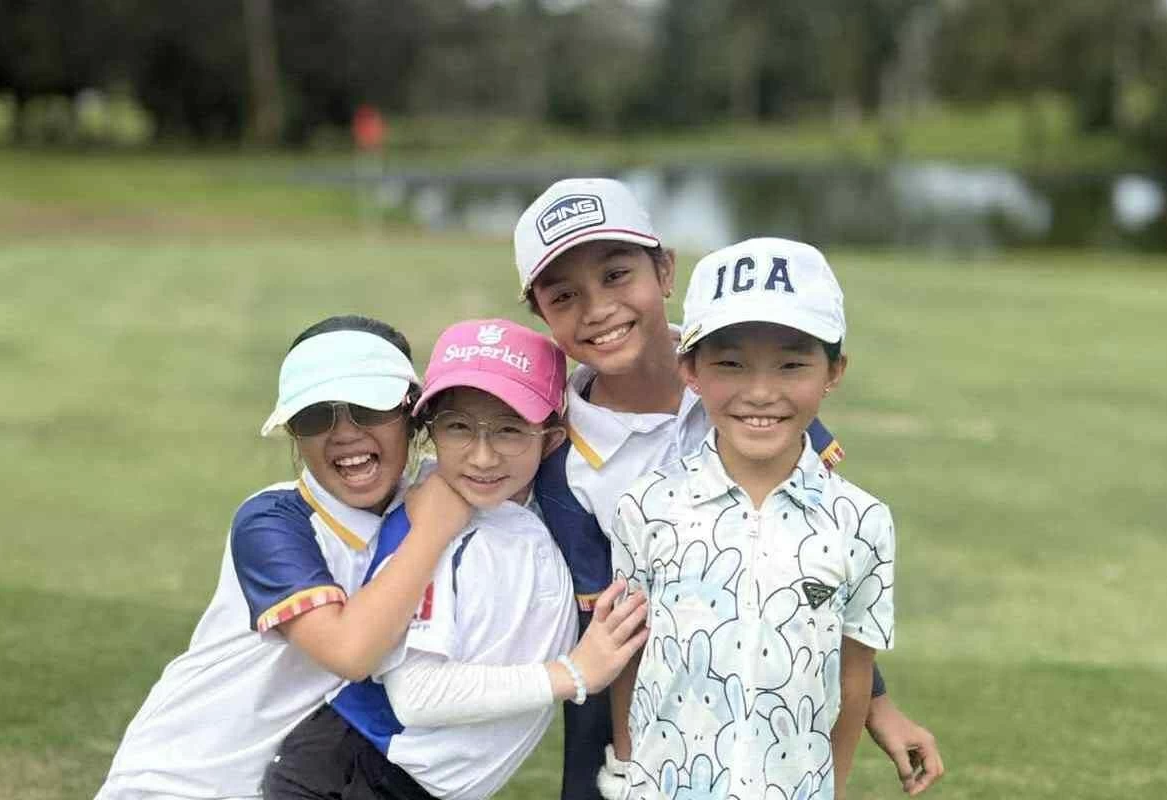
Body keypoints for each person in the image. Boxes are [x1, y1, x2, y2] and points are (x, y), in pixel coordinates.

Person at [515, 179, 943, 797]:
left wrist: (876, 703)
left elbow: (812, 573)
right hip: (622, 730)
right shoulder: (551, 457)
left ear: (664, 270)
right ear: (541, 313)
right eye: (564, 295)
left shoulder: (749, 367)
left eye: (616, 275)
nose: (599, 308)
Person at [262, 319, 650, 800]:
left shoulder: (547, 514)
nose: (482, 457)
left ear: (550, 437)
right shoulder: (435, 525)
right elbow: (417, 695)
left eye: (508, 430)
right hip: (352, 776)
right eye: (459, 427)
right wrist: (573, 674)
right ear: (430, 431)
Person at [96, 315, 472, 800]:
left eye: (368, 407)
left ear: (411, 412)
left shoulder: (433, 493)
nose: (343, 432)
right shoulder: (272, 520)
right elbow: (349, 652)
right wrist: (434, 530)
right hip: (182, 780)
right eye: (315, 416)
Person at [607, 236, 891, 800]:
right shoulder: (647, 505)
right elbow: (628, 655)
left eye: (791, 365)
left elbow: (854, 678)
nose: (761, 393)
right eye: (731, 364)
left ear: (834, 370)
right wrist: (627, 768)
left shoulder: (862, 521)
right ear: (689, 367)